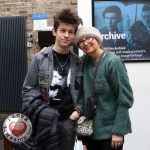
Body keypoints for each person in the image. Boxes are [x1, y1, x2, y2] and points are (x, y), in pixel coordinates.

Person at [22, 8, 83, 150]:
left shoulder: (78, 62)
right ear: (54, 32)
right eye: (62, 30)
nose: (66, 35)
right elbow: (27, 90)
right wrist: (41, 112)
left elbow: (82, 91)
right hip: (45, 121)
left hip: (68, 120)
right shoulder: (39, 59)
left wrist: (77, 112)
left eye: (71, 32)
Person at [73, 26, 134, 150]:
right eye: (81, 41)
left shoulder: (112, 62)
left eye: (89, 38)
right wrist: (46, 51)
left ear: (98, 40)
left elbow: (125, 98)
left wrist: (118, 131)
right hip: (90, 131)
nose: (85, 43)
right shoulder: (82, 62)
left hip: (110, 133)